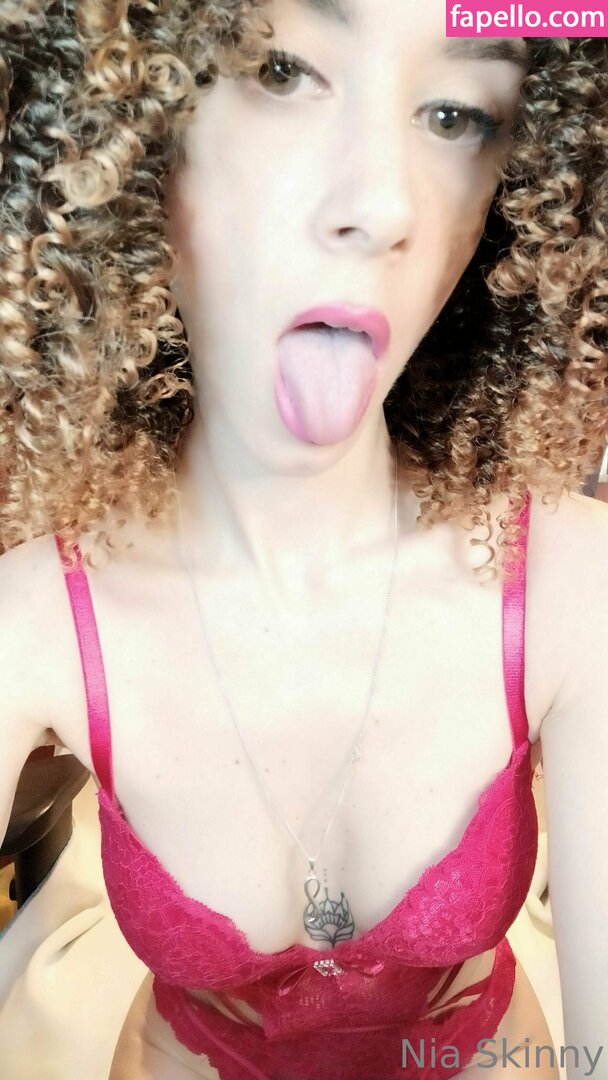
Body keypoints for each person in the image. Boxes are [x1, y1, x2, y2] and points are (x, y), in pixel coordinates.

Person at [0, 0, 607, 1078]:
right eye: (279, 69)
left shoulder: (572, 583)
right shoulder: (33, 619)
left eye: (457, 113)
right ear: (127, 121)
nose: (383, 206)